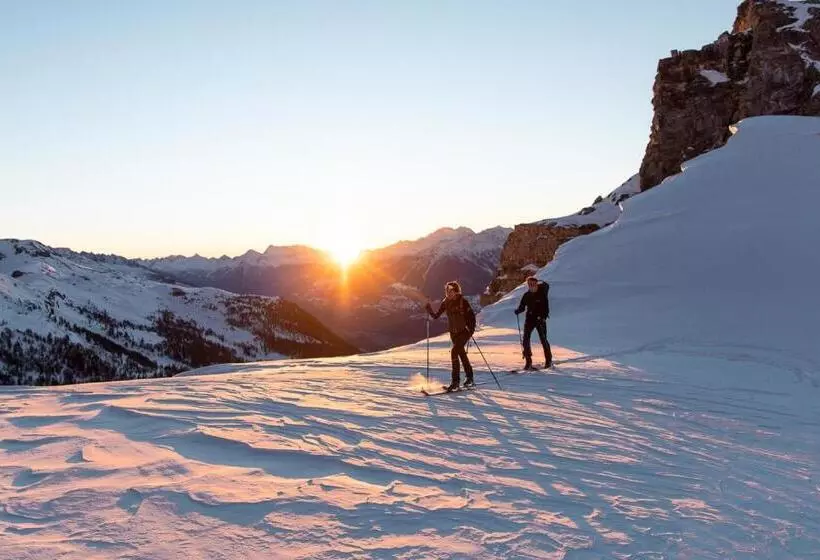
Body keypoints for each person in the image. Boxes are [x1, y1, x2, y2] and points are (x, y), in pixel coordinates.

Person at [426, 281, 476, 391]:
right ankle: (470, 378)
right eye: (447, 291)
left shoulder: (463, 302)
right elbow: (436, 316)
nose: (448, 293)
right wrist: (429, 309)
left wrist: (470, 330)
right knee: (461, 354)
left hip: (464, 332)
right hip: (454, 333)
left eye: (451, 291)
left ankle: (455, 382)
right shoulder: (445, 302)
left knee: (454, 352)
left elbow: (472, 318)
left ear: (456, 291)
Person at [514, 276, 553, 370]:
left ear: (536, 284)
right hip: (530, 319)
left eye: (532, 284)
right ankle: (528, 361)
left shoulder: (542, 294)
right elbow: (522, 306)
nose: (531, 286)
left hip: (540, 320)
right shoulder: (526, 295)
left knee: (543, 340)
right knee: (526, 339)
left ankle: (548, 361)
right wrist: (518, 310)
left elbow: (546, 308)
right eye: (529, 284)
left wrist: (542, 317)